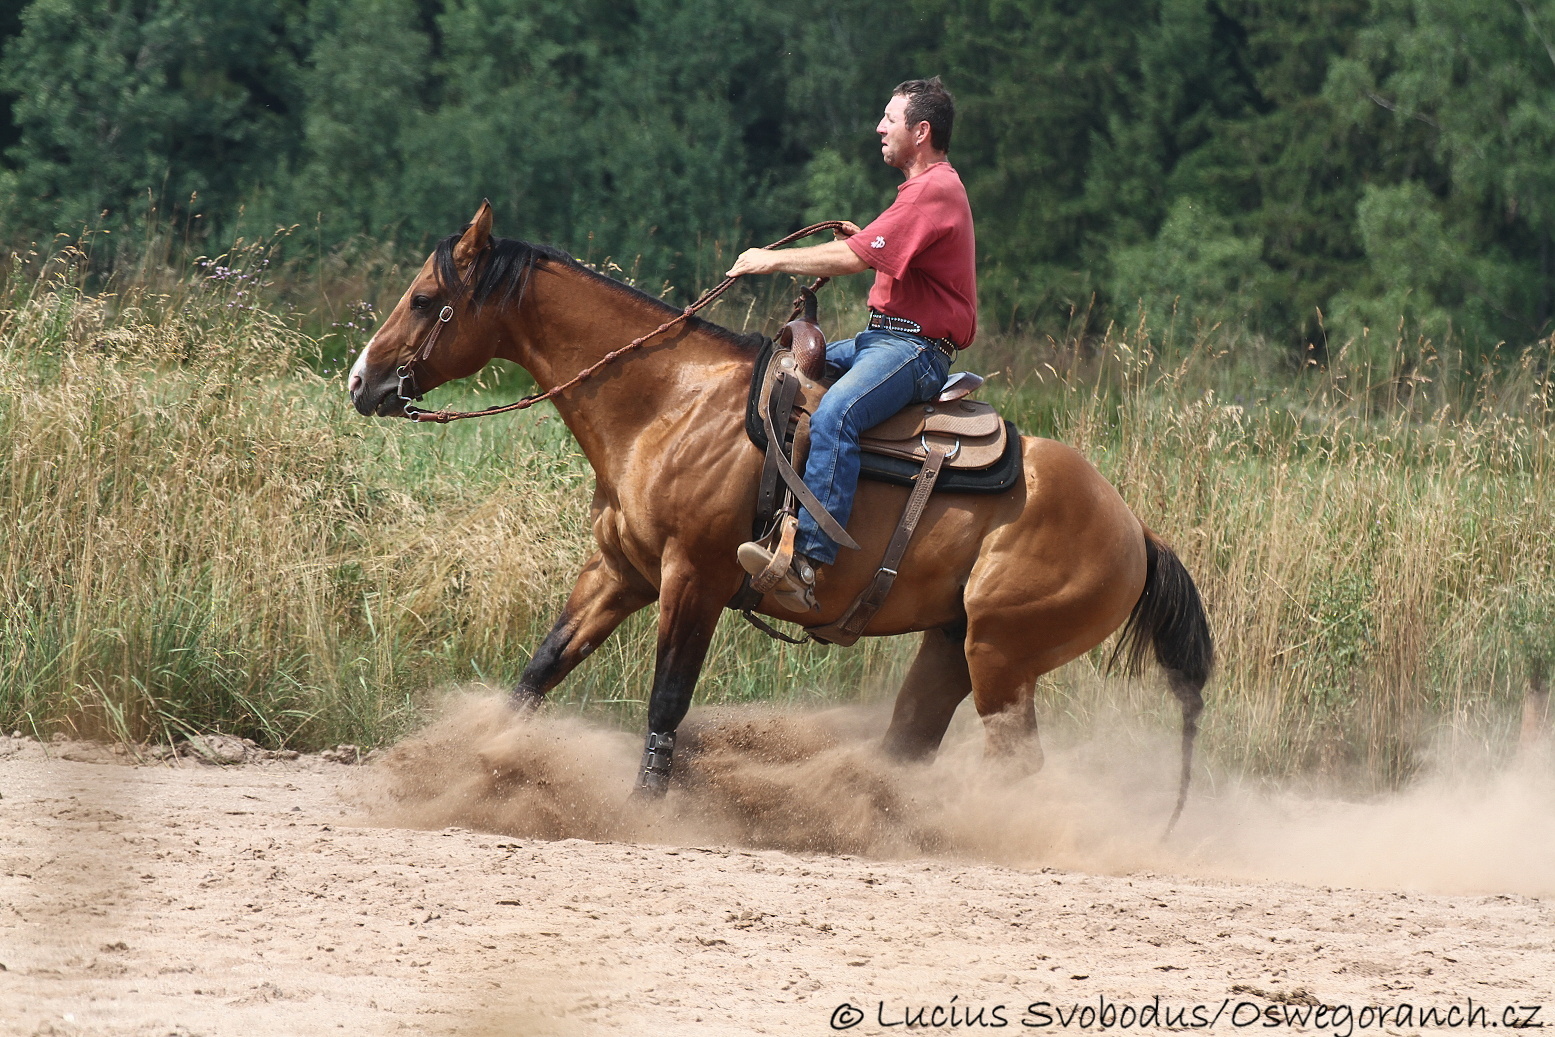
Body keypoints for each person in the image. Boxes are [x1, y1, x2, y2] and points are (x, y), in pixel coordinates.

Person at [728, 76, 978, 612]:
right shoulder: (918, 192)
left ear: (922, 130)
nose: (879, 127)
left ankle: (808, 563)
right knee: (771, 369)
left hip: (914, 352)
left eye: (890, 119)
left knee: (836, 412)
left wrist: (767, 259)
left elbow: (851, 260)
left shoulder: (935, 189)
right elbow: (873, 252)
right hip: (880, 340)